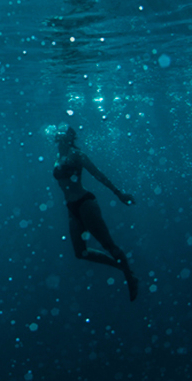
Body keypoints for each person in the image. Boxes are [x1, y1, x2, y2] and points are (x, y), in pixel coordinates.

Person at [52, 127, 140, 301]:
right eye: (57, 134)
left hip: (85, 203)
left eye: (61, 133)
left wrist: (119, 193)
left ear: (68, 137)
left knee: (108, 245)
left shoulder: (77, 155)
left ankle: (130, 278)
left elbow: (98, 174)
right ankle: (124, 269)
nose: (57, 135)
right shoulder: (58, 156)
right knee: (80, 252)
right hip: (72, 207)